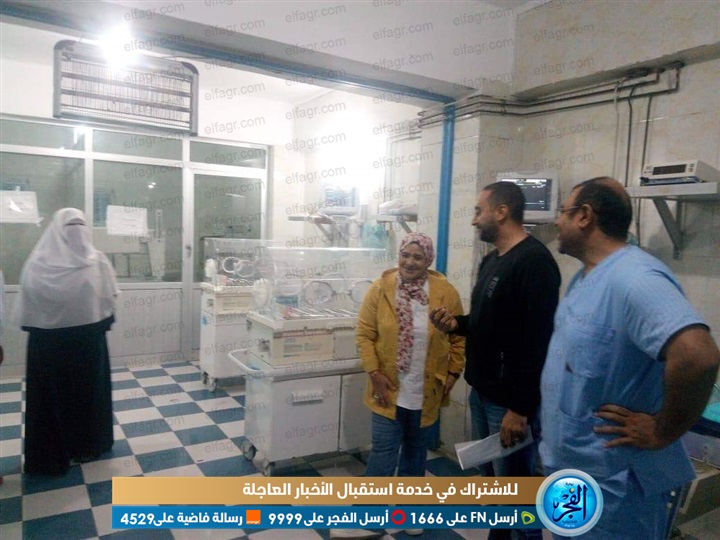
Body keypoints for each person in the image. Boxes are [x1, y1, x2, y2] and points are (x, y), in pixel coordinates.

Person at [540, 177, 720, 539]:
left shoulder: (635, 278)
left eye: (562, 211)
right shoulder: (586, 277)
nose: (556, 221)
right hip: (572, 475)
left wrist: (663, 430)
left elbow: (698, 355)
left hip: (613, 491)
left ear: (584, 216)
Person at [431, 181, 560, 540]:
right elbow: (487, 322)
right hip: (482, 392)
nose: (474, 220)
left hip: (508, 403)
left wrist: (519, 409)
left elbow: (538, 341)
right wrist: (455, 324)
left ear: (502, 212)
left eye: (478, 211)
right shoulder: (492, 260)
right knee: (494, 490)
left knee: (516, 493)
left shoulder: (534, 262)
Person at [332, 233, 465, 540]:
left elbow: (458, 336)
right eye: (405, 255)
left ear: (429, 260)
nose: (409, 262)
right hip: (388, 388)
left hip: (426, 390)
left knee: (416, 454)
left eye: (418, 257)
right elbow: (365, 333)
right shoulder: (382, 288)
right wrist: (374, 371)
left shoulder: (445, 292)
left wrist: (454, 373)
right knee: (383, 452)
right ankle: (368, 518)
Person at [15, 208, 119, 475]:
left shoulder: (97, 261)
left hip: (83, 345)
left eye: (80, 226)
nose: (77, 233)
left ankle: (89, 444)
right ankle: (53, 454)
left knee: (87, 395)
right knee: (53, 399)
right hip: (55, 347)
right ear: (57, 231)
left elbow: (108, 299)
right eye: (71, 227)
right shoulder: (39, 264)